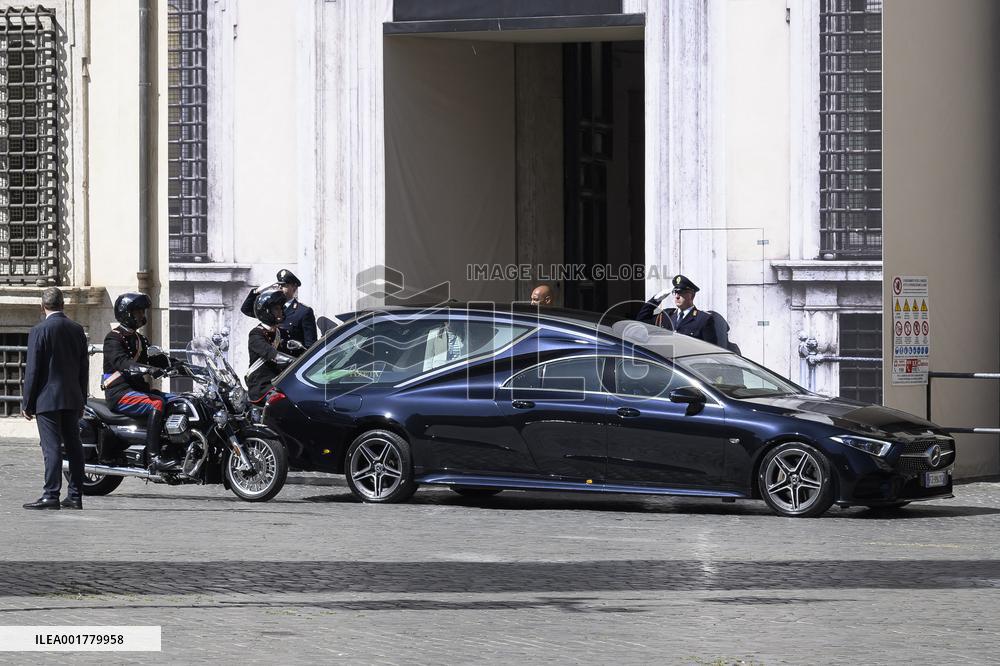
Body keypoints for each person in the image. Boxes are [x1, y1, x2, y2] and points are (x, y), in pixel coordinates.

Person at [20, 288, 90, 510]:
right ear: (63, 304)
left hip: (46, 398)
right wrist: (82, 400)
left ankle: (51, 494)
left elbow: (32, 370)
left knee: (51, 448)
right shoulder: (77, 329)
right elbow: (83, 368)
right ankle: (76, 496)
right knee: (74, 446)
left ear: (43, 306)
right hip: (72, 397)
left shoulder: (39, 330)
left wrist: (27, 403)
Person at [102, 293, 175, 472]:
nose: (142, 316)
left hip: (137, 390)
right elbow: (123, 363)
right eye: (138, 312)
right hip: (120, 393)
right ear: (126, 313)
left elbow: (156, 360)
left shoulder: (139, 339)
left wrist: (180, 365)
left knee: (175, 400)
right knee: (156, 404)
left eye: (142, 311)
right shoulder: (114, 338)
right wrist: (148, 370)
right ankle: (154, 458)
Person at [240, 269, 316, 354]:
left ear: (294, 287)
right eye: (278, 285)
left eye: (284, 285)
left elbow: (310, 345)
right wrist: (257, 291)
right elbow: (246, 309)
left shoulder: (303, 311)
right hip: (270, 359)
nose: (280, 288)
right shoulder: (269, 308)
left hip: (292, 362)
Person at [636, 274, 718, 345]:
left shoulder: (703, 319)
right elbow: (642, 320)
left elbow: (712, 349)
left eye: (681, 292)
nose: (677, 296)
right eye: (675, 292)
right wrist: (655, 300)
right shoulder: (667, 315)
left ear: (692, 296)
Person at [246, 286, 294, 403]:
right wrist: (294, 362)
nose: (281, 312)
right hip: (262, 387)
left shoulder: (279, 332)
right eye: (276, 309)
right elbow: (272, 354)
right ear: (266, 311)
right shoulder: (256, 334)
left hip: (278, 382)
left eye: (281, 309)